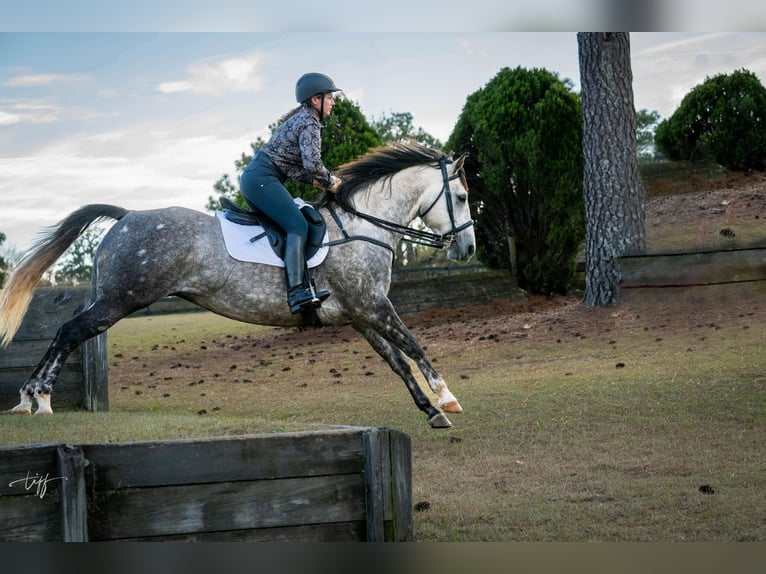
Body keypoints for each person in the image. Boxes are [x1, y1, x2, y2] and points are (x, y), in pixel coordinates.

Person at [240, 72, 342, 314]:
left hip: (258, 179)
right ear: (316, 100)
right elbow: (314, 165)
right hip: (262, 179)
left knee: (289, 226)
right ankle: (297, 292)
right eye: (330, 97)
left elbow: (293, 168)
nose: (333, 102)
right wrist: (332, 182)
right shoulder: (309, 122)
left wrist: (317, 182)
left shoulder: (302, 118)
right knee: (297, 225)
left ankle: (302, 285)